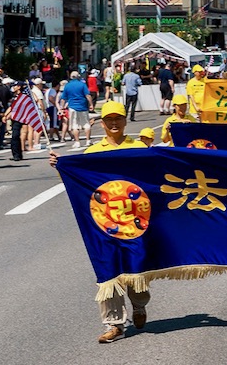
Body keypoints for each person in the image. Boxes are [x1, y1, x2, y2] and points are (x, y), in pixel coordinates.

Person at [49, 101, 148, 344]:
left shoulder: (138, 148)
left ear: (125, 121)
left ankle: (139, 305)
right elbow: (82, 183)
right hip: (104, 222)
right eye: (109, 119)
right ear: (102, 123)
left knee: (137, 272)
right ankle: (114, 324)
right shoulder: (92, 153)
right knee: (108, 270)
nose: (114, 123)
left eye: (118, 118)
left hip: (136, 221)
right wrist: (62, 167)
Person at [61, 71, 93, 148]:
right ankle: (88, 140)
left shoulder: (67, 86)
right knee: (86, 124)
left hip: (72, 107)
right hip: (83, 106)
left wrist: (62, 108)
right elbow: (87, 95)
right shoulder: (82, 84)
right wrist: (91, 104)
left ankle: (77, 141)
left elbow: (63, 98)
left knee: (74, 126)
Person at [3, 82, 26, 162]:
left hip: (19, 117)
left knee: (15, 136)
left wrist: (9, 114)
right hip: (14, 118)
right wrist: (5, 115)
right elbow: (11, 107)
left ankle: (16, 155)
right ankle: (17, 154)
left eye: (15, 86)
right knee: (15, 136)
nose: (13, 87)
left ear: (19, 87)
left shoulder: (23, 96)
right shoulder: (15, 96)